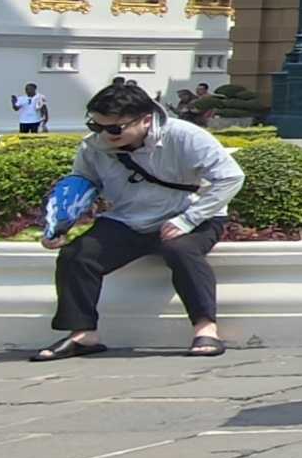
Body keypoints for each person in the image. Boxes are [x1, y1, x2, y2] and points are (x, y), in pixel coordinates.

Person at [35, 79, 239, 361]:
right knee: (77, 255)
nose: (105, 135)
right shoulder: (92, 147)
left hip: (191, 214)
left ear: (145, 120)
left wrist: (189, 220)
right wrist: (59, 224)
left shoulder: (184, 136)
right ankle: (83, 334)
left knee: (181, 250)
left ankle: (206, 329)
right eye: (96, 126)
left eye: (114, 129)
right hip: (128, 219)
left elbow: (230, 177)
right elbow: (83, 183)